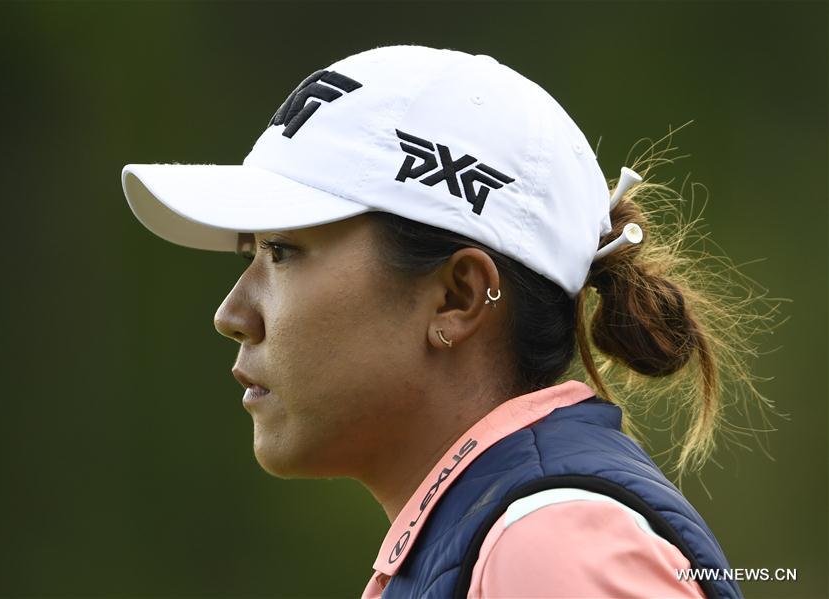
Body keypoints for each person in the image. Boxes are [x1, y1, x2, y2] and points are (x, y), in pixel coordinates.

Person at [120, 45, 767, 598]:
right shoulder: (494, 537)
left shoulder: (547, 546)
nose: (231, 315)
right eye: (251, 255)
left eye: (283, 252)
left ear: (459, 297)